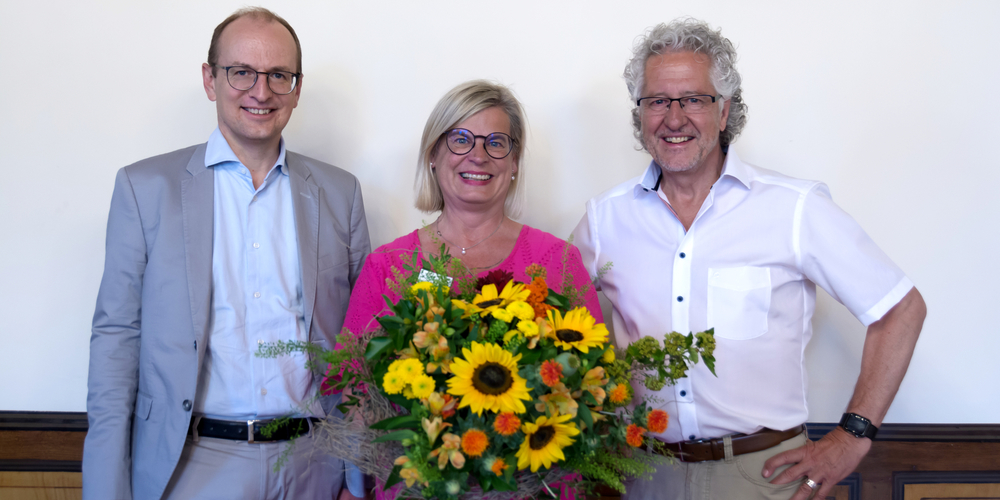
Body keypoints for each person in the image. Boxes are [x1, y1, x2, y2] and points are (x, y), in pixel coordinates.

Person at [570, 18, 926, 500]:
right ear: (640, 115)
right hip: (643, 476)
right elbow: (553, 327)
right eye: (657, 101)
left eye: (694, 99)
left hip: (764, 477)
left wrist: (851, 437)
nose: (674, 118)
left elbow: (901, 308)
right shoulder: (604, 219)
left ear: (724, 111)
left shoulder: (794, 208)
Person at [83, 8, 371, 500]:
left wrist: (357, 472)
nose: (261, 92)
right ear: (210, 79)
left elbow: (363, 341)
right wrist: (106, 488)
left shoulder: (339, 193)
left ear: (297, 88)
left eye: (279, 75)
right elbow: (116, 339)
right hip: (192, 466)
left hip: (314, 464)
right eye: (241, 72)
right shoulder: (144, 188)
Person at [340, 80, 602, 498]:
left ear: (514, 161)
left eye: (496, 142)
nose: (477, 155)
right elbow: (350, 384)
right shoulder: (388, 267)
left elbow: (594, 387)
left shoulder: (557, 263)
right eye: (460, 139)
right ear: (433, 154)